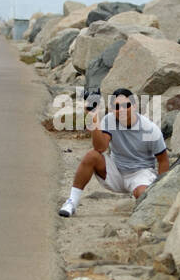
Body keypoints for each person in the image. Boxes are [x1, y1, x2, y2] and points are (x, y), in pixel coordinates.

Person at [59, 88, 168, 217]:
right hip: (116, 171)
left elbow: (163, 160)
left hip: (141, 173)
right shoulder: (109, 120)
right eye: (117, 107)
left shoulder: (150, 129)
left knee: (143, 195)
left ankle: (144, 204)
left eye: (126, 105)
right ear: (111, 109)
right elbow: (100, 148)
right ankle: (72, 202)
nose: (121, 110)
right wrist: (93, 119)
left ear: (134, 106)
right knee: (92, 155)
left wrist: (161, 190)